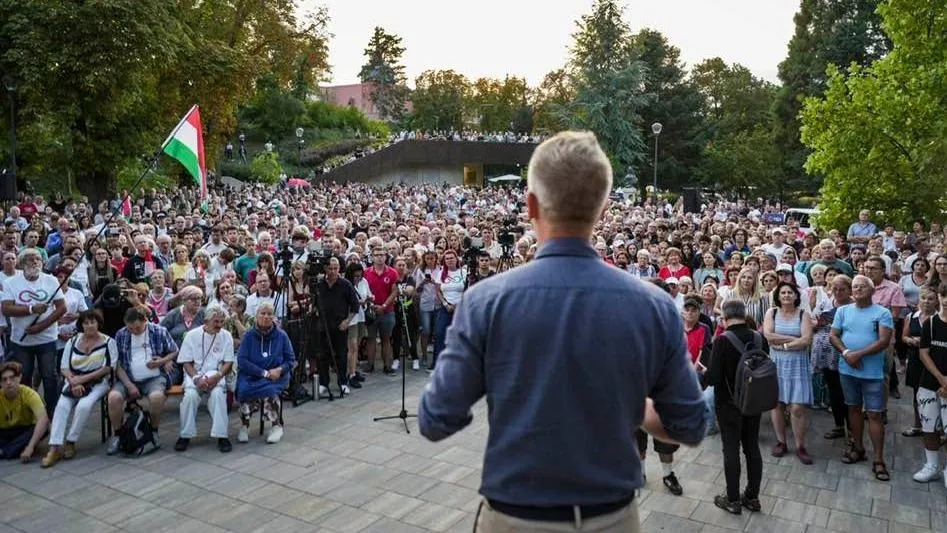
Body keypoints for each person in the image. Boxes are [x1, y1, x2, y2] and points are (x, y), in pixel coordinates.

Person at [418, 131, 707, 532]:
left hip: (515, 517)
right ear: (603, 208)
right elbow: (690, 424)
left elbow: (436, 418)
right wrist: (632, 406)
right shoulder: (655, 306)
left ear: (530, 204)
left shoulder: (485, 301)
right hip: (612, 518)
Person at [830, 275, 894, 481]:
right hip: (847, 369)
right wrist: (847, 353)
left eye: (862, 286)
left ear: (872, 290)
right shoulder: (842, 311)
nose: (857, 289)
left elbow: (884, 341)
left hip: (873, 372)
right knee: (853, 408)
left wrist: (860, 354)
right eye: (855, 286)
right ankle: (858, 448)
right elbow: (833, 335)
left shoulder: (882, 312)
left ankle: (879, 459)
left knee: (874, 414)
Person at [705, 300, 766, 514]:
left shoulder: (723, 340)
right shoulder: (759, 337)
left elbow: (713, 376)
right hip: (754, 401)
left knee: (731, 449)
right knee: (752, 448)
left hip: (729, 404)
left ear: (725, 317)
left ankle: (732, 499)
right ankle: (752, 496)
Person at [42, 310, 115, 467]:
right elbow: (64, 367)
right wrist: (75, 382)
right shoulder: (73, 341)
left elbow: (107, 368)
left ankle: (71, 441)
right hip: (74, 381)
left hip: (98, 382)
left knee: (84, 405)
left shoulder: (109, 342)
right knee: (61, 407)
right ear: (81, 325)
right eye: (86, 323)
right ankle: (54, 448)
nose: (89, 325)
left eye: (93, 322)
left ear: (99, 323)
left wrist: (83, 379)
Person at [1, 248, 67, 417]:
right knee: (24, 378)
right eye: (30, 259)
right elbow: (6, 308)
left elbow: (61, 308)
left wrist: (42, 326)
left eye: (37, 259)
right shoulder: (11, 283)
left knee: (50, 377)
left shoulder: (51, 281)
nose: (35, 262)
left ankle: (53, 414)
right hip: (21, 342)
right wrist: (31, 309)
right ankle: (27, 414)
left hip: (47, 339)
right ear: (22, 263)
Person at [106, 306, 179, 455]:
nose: (134, 331)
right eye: (130, 328)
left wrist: (161, 361)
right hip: (129, 377)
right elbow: (117, 364)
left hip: (154, 377)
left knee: (157, 397)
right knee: (114, 397)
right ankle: (118, 435)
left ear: (145, 321)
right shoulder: (121, 334)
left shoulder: (158, 331)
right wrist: (129, 385)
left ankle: (153, 431)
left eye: (137, 328)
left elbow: (174, 351)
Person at [763, 282, 815, 464]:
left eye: (789, 292)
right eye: (783, 292)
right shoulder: (772, 313)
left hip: (797, 365)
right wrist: (795, 339)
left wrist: (784, 344)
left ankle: (800, 446)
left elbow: (807, 340)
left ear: (795, 296)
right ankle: (781, 442)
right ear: (778, 296)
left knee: (797, 407)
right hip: (776, 364)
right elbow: (768, 335)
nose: (786, 295)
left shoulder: (803, 315)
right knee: (776, 404)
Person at [174, 306, 234, 453]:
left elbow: (228, 362)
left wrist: (218, 376)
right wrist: (196, 378)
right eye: (216, 322)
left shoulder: (226, 335)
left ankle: (222, 436)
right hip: (194, 374)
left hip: (216, 374)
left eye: (222, 321)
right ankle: (185, 435)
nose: (219, 325)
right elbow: (185, 361)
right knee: (190, 397)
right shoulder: (191, 335)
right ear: (206, 321)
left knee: (219, 396)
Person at [236, 303, 294, 444]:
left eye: (269, 314)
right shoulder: (249, 336)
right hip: (253, 374)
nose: (266, 317)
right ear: (256, 316)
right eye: (263, 313)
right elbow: (242, 361)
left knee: (269, 390)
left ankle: (276, 426)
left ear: (274, 317)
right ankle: (245, 425)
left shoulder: (281, 335)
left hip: (276, 376)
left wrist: (280, 370)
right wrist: (263, 373)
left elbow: (290, 360)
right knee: (243, 389)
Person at [911, 282, 947, 484]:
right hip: (929, 383)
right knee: (929, 426)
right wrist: (942, 379)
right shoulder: (931, 324)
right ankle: (931, 465)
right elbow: (924, 353)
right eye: (944, 296)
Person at [314, 257, 358, 396]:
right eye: (330, 268)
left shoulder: (345, 284)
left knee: (341, 355)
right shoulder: (319, 284)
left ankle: (343, 382)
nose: (333, 271)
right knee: (322, 355)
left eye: (336, 268)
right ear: (325, 269)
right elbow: (313, 303)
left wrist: (347, 321)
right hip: (323, 326)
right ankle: (323, 383)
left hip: (340, 326)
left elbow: (355, 307)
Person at [0, 361, 49, 462]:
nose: (8, 382)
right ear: (1, 383)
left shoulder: (29, 394)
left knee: (43, 428)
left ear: (19, 377)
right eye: (4, 380)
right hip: (4, 431)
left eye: (12, 377)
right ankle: (12, 450)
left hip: (24, 429)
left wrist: (30, 447)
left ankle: (7, 451)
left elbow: (43, 419)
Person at [363, 247, 399, 374]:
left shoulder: (393, 272)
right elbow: (363, 291)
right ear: (372, 257)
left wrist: (383, 306)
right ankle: (370, 365)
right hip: (371, 310)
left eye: (382, 255)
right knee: (371, 338)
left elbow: (394, 292)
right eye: (377, 255)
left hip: (387, 310)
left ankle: (387, 366)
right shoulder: (366, 272)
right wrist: (372, 305)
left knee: (386, 339)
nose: (379, 257)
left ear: (386, 256)